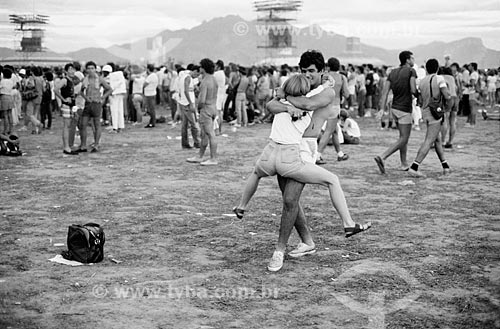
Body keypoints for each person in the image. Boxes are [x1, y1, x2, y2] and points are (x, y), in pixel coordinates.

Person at [254, 50, 371, 272]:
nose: (307, 75)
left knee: (290, 200)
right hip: (287, 145)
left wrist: (284, 95)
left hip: (305, 147)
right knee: (290, 201)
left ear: (322, 71)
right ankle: (307, 241)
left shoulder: (327, 91)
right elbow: (271, 105)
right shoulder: (301, 87)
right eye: (303, 71)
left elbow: (307, 105)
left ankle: (279, 250)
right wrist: (283, 101)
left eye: (312, 72)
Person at [374, 51, 418, 173]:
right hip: (405, 108)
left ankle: (404, 164)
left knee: (402, 137)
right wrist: (419, 96)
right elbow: (413, 89)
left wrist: (382, 109)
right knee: (404, 138)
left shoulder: (392, 72)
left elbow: (385, 92)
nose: (414, 60)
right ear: (407, 60)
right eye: (412, 58)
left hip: (394, 108)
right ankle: (383, 157)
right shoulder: (411, 71)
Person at [408, 58, 451, 178]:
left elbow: (419, 98)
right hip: (435, 113)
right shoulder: (439, 79)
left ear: (426, 68)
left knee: (436, 140)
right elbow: (447, 95)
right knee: (429, 140)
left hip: (425, 112)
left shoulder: (422, 81)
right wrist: (448, 104)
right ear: (437, 68)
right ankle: (414, 167)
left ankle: (445, 166)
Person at [316, 57, 350, 165]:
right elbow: (347, 93)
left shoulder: (323, 76)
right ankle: (317, 155)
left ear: (328, 66)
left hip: (322, 105)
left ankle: (340, 154)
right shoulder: (342, 77)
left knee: (334, 130)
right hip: (334, 107)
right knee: (328, 131)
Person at [187, 58, 218, 165]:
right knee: (204, 134)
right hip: (213, 108)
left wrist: (198, 108)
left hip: (206, 109)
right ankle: (200, 156)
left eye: (200, 67)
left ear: (203, 68)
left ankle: (213, 158)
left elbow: (202, 100)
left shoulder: (205, 82)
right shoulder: (214, 79)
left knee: (210, 134)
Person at [80, 61, 112, 153]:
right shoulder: (85, 79)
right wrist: (86, 98)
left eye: (92, 68)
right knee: (83, 125)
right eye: (88, 68)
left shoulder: (100, 79)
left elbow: (109, 89)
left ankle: (97, 144)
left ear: (95, 69)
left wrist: (102, 98)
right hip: (88, 103)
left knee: (97, 124)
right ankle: (83, 145)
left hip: (96, 103)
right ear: (86, 70)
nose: (90, 70)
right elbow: (81, 91)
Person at [54, 63, 79, 155]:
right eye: (70, 69)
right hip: (66, 105)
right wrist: (63, 99)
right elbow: (56, 89)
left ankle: (68, 146)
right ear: (66, 71)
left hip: (71, 105)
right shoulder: (64, 80)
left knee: (69, 126)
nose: (72, 71)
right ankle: (66, 147)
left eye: (73, 69)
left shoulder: (71, 80)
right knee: (66, 126)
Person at [178, 65, 201, 149]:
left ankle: (185, 144)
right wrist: (191, 103)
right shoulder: (188, 78)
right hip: (187, 103)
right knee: (194, 124)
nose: (197, 76)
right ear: (195, 71)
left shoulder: (183, 76)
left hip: (183, 102)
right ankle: (197, 142)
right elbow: (186, 91)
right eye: (197, 74)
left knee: (185, 125)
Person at [143, 64, 158, 128]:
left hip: (149, 94)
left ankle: (152, 122)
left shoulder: (150, 76)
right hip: (153, 93)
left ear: (148, 69)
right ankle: (152, 121)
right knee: (152, 109)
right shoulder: (154, 75)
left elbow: (144, 84)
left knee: (150, 109)